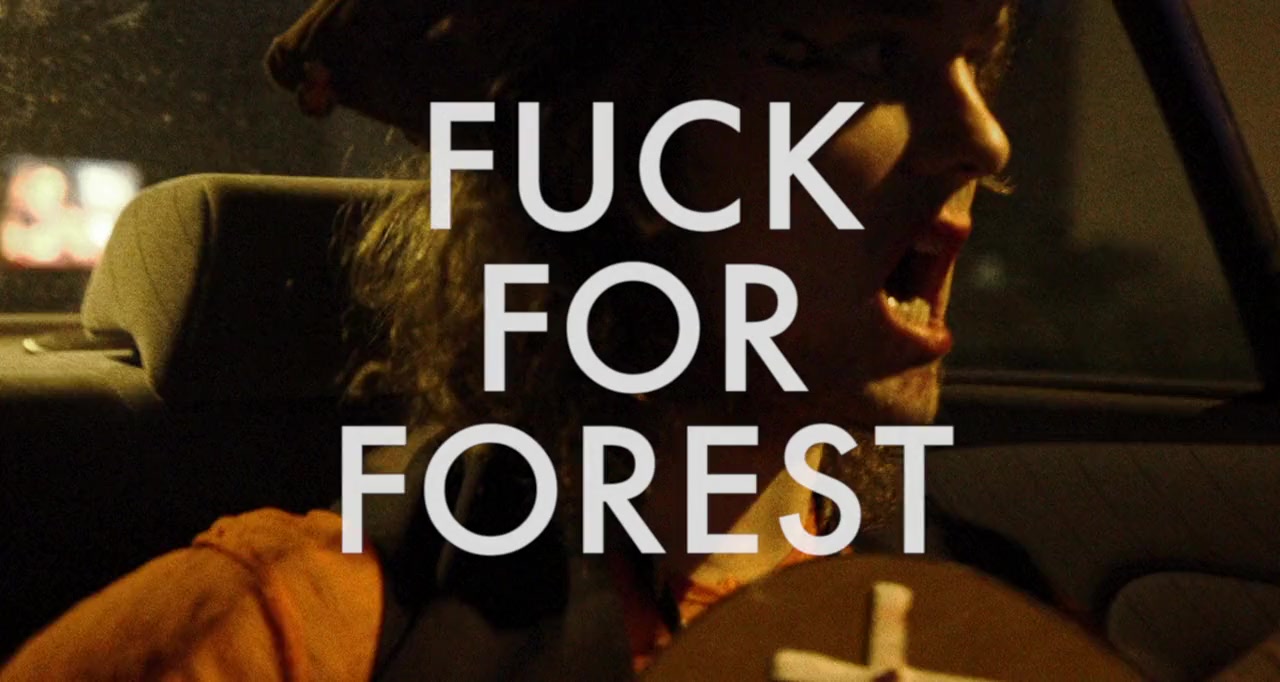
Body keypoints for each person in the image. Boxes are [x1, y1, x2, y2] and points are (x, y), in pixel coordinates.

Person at [1, 0, 1020, 679]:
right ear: (604, 143)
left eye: (974, 59)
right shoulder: (292, 637)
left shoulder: (986, 622)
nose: (984, 140)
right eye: (869, 54)